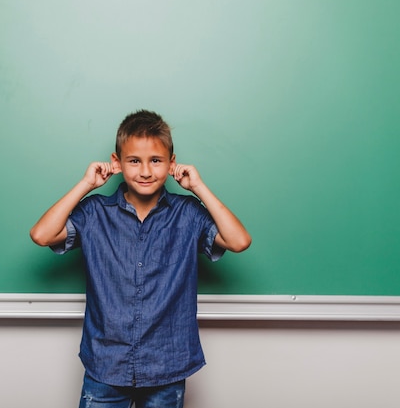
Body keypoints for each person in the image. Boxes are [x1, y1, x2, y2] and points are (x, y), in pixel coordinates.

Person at [30, 110, 251, 408]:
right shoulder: (95, 212)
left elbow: (239, 241)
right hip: (106, 364)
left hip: (167, 364)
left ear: (171, 164)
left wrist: (198, 186)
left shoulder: (187, 214)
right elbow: (42, 235)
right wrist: (86, 184)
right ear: (117, 162)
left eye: (156, 161)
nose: (145, 171)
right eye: (134, 161)